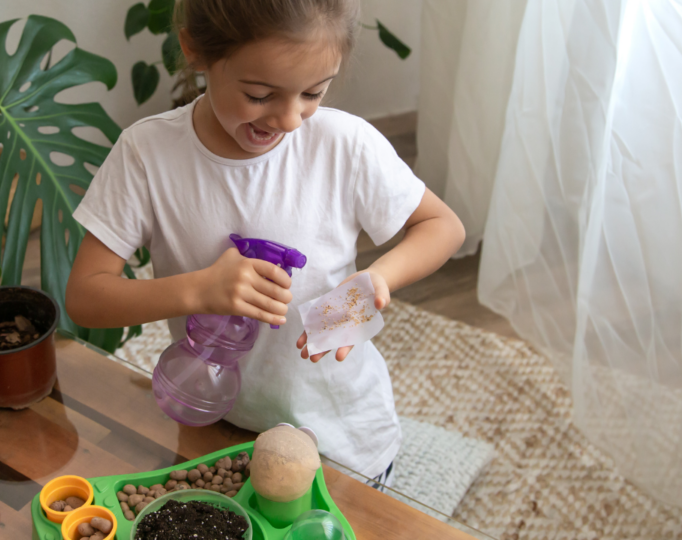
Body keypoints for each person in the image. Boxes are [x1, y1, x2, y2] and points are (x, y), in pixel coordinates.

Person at [66, 0, 465, 488]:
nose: (291, 119)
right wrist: (198, 290)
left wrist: (377, 279)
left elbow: (442, 225)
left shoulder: (344, 145)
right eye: (259, 95)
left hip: (340, 441)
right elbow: (85, 296)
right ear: (194, 49)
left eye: (314, 93)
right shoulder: (147, 155)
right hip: (217, 432)